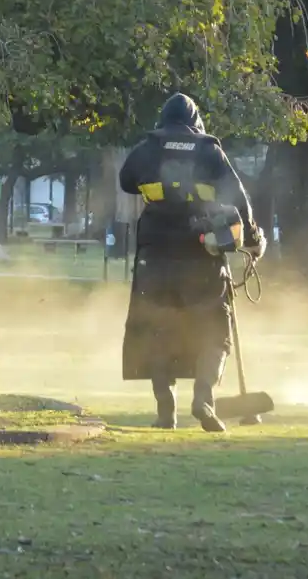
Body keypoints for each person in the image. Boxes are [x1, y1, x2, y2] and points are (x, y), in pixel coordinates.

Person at [119, 93, 266, 432]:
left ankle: (165, 410)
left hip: (154, 256)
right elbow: (238, 195)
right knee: (215, 330)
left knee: (158, 331)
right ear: (195, 119)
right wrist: (254, 237)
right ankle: (203, 399)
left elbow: (126, 182)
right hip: (201, 253)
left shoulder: (147, 148)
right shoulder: (209, 150)